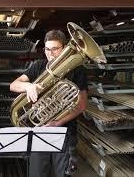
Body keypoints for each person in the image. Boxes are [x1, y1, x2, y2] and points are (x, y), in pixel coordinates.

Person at [9, 29, 88, 177]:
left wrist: (58, 122)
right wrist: (28, 86)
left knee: (62, 174)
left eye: (55, 49)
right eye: (47, 49)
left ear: (64, 48)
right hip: (40, 131)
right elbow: (13, 85)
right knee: (36, 173)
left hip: (65, 133)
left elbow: (81, 105)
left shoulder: (77, 70)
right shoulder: (39, 65)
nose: (50, 53)